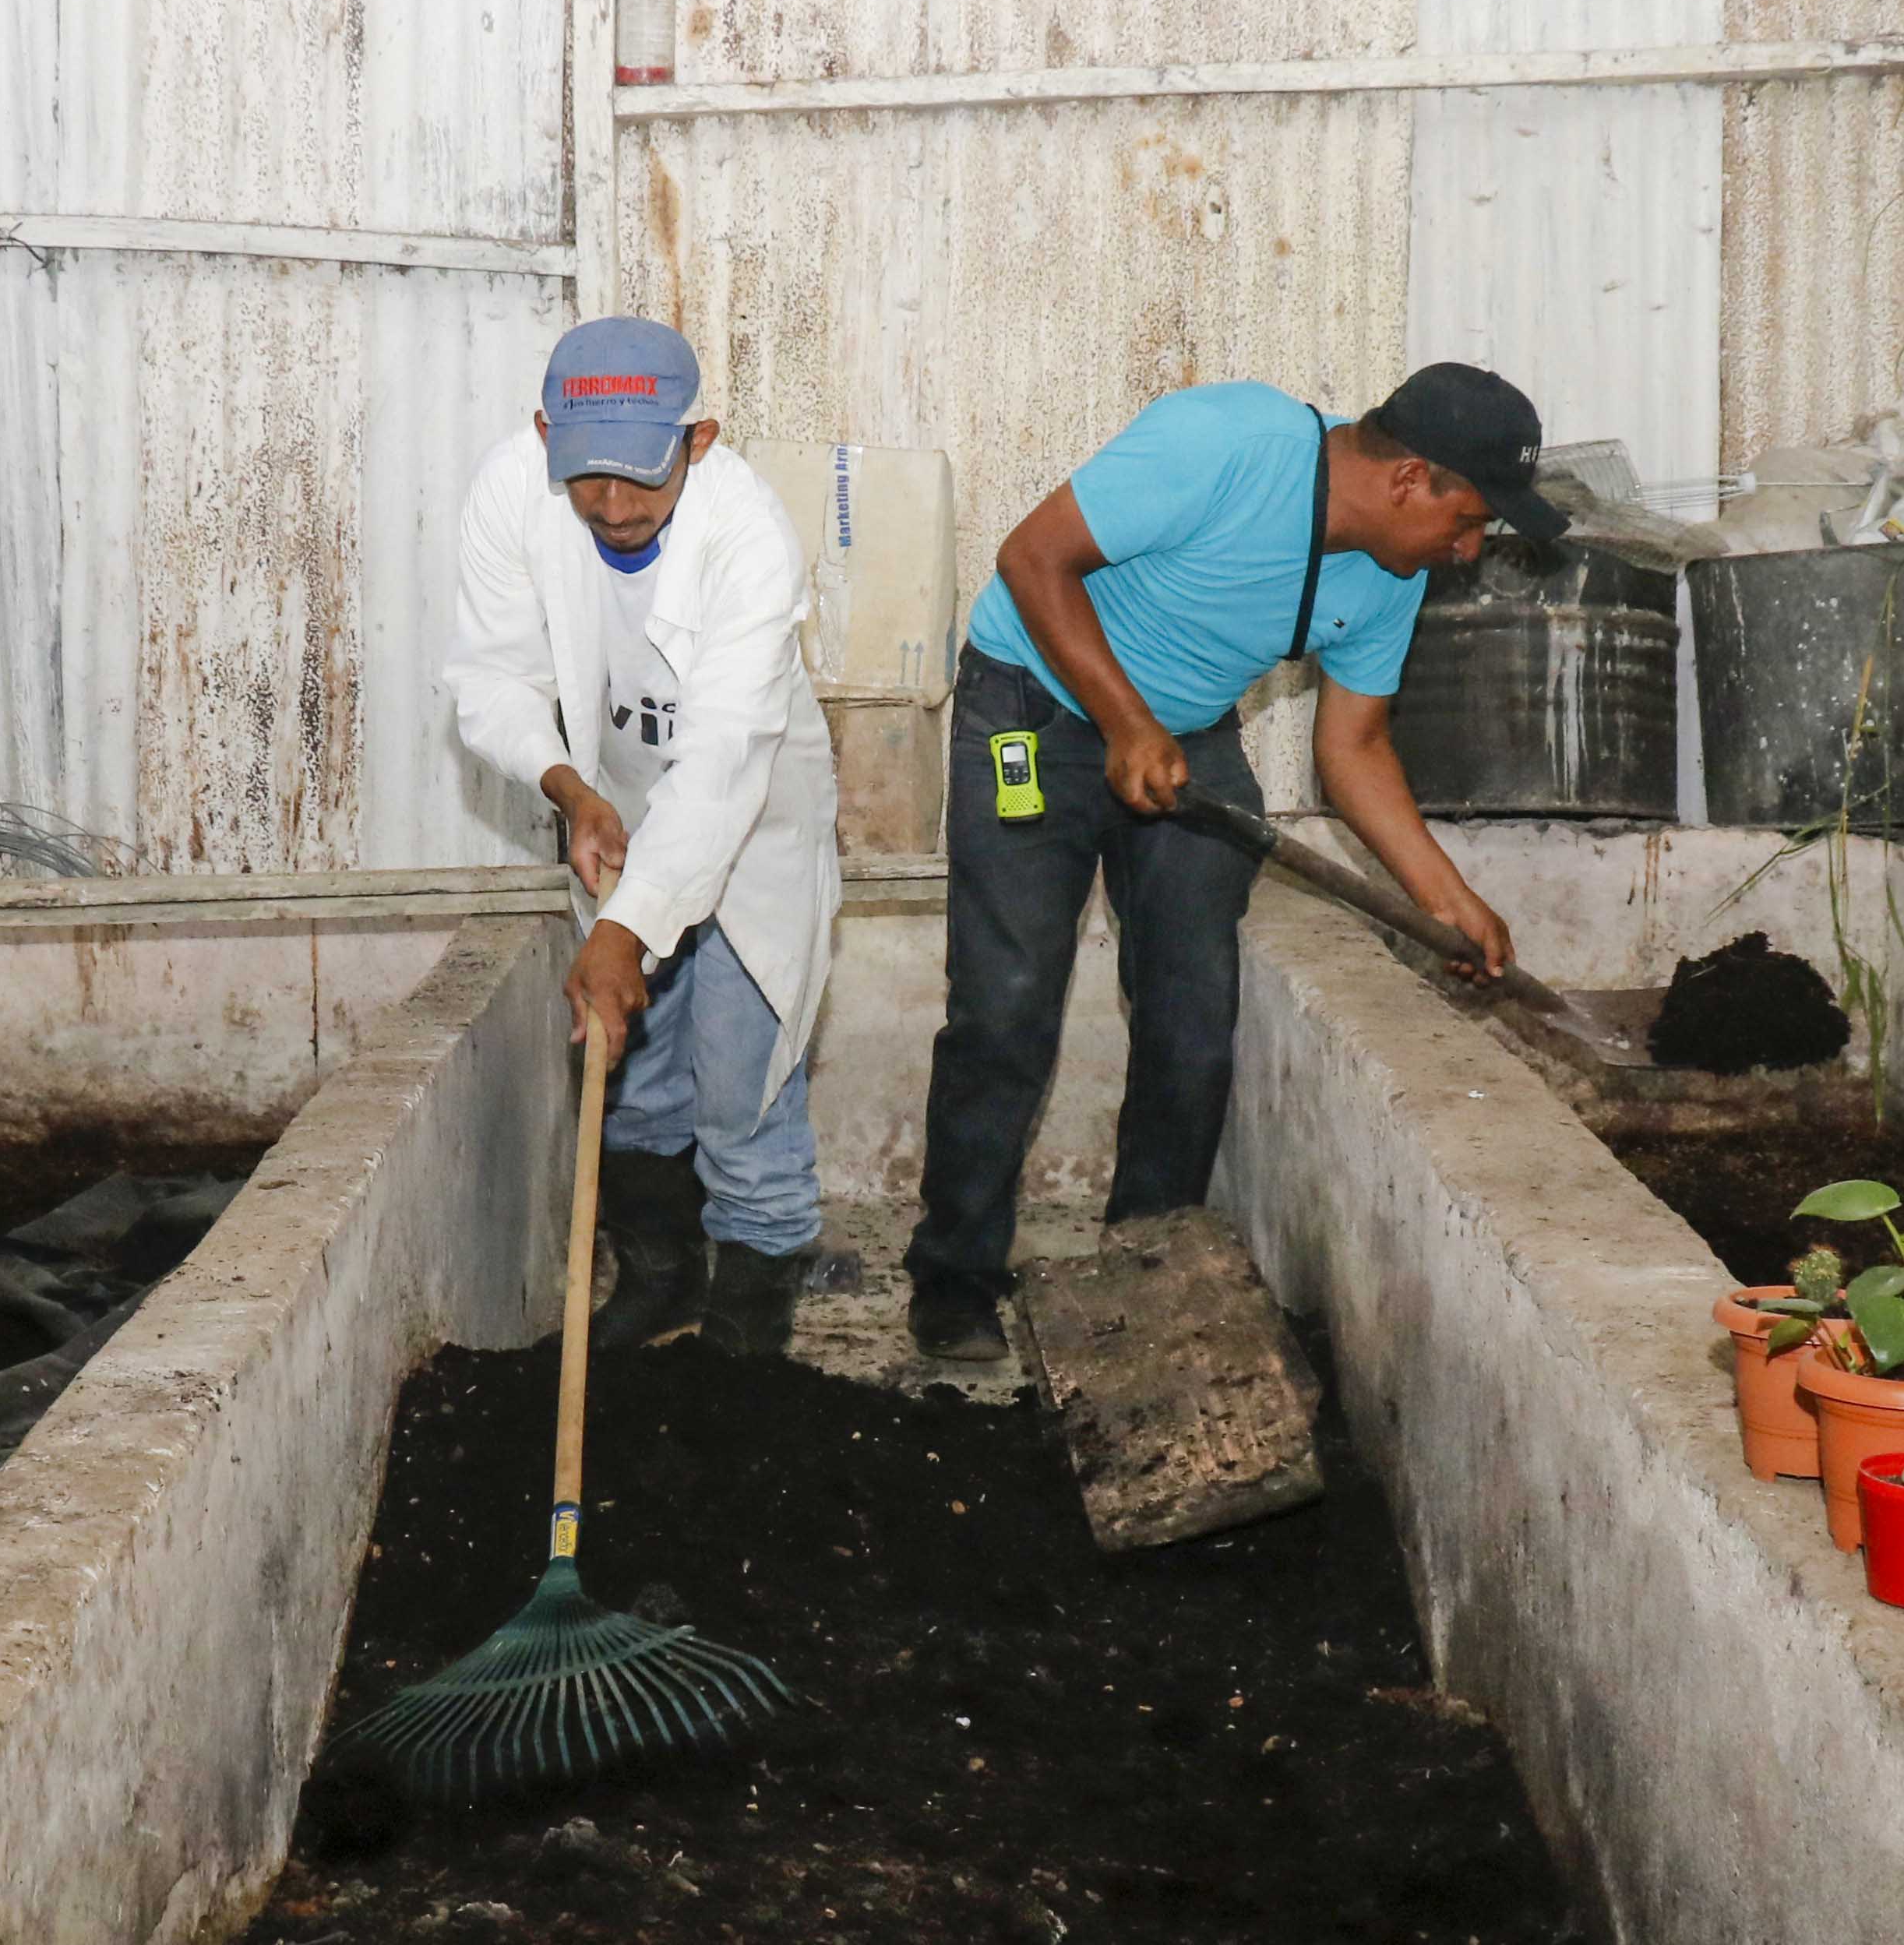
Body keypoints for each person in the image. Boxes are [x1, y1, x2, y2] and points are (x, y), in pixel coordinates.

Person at [905, 364, 1552, 1362]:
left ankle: (1143, 1277)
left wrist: (1448, 900)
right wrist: (1124, 725)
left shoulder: (1392, 572)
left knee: (1193, 1019)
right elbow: (1032, 560)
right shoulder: (1226, 442)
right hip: (1033, 708)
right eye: (1467, 521)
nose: (1468, 551)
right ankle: (953, 1278)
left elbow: (1355, 748)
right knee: (1008, 1003)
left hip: (1188, 740)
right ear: (1410, 479)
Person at [449, 318, 843, 1358]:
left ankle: (749, 1327)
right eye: (587, 480)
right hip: (612, 811)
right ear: (545, 438)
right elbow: (490, 677)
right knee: (628, 1073)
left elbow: (719, 765)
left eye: (641, 479)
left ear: (698, 439)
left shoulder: (749, 537)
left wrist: (627, 935)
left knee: (740, 1075)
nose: (615, 509)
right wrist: (572, 791)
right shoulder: (509, 492)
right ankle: (661, 1277)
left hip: (748, 818)